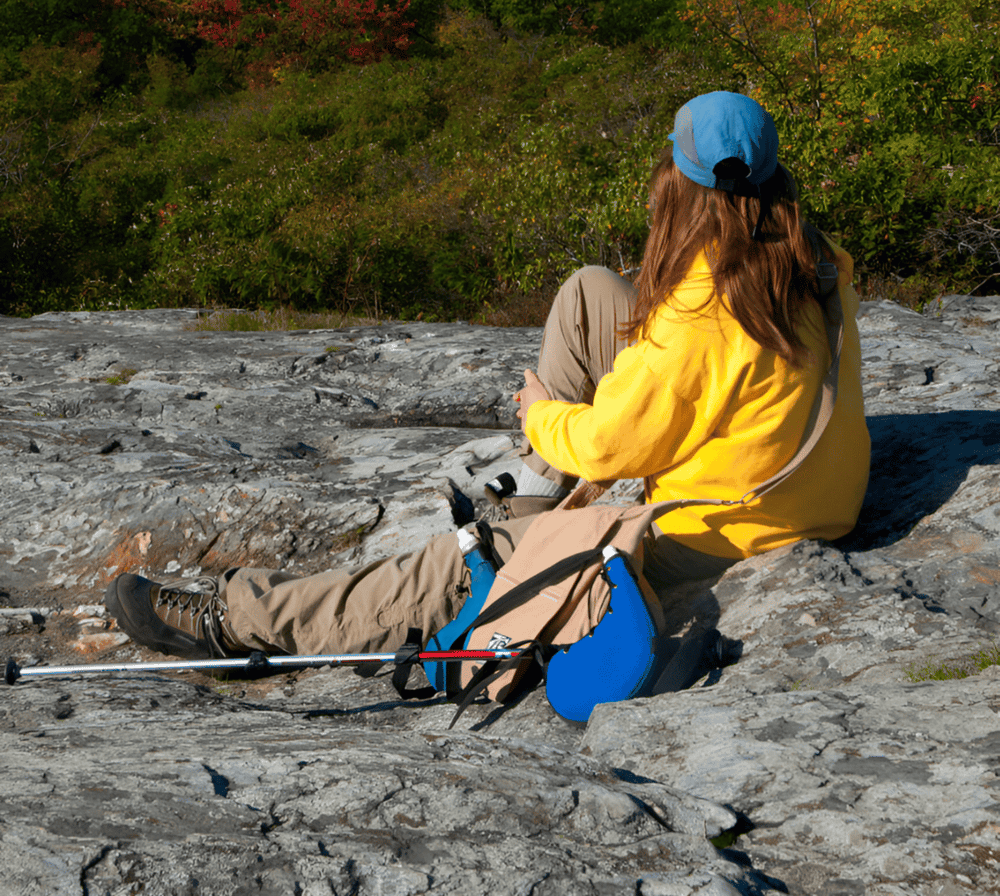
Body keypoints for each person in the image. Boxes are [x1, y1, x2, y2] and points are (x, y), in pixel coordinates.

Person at [105, 91, 870, 666]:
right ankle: (541, 497)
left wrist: (542, 414)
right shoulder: (814, 258)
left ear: (683, 183)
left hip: (723, 531)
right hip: (816, 497)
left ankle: (232, 622)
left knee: (450, 565)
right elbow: (712, 362)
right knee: (590, 292)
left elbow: (609, 448)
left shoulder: (703, 308)